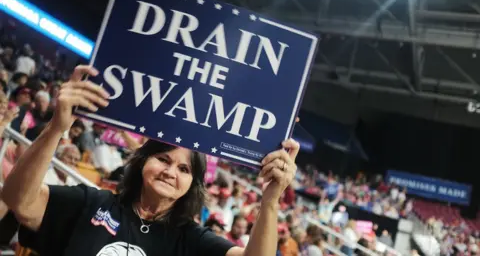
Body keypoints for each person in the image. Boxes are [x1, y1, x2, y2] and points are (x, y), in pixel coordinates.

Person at [1, 65, 300, 256]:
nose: (171, 172)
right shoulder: (92, 203)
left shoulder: (191, 241)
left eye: (184, 169)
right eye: (163, 159)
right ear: (143, 161)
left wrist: (271, 202)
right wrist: (56, 127)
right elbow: (19, 200)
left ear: (192, 184)